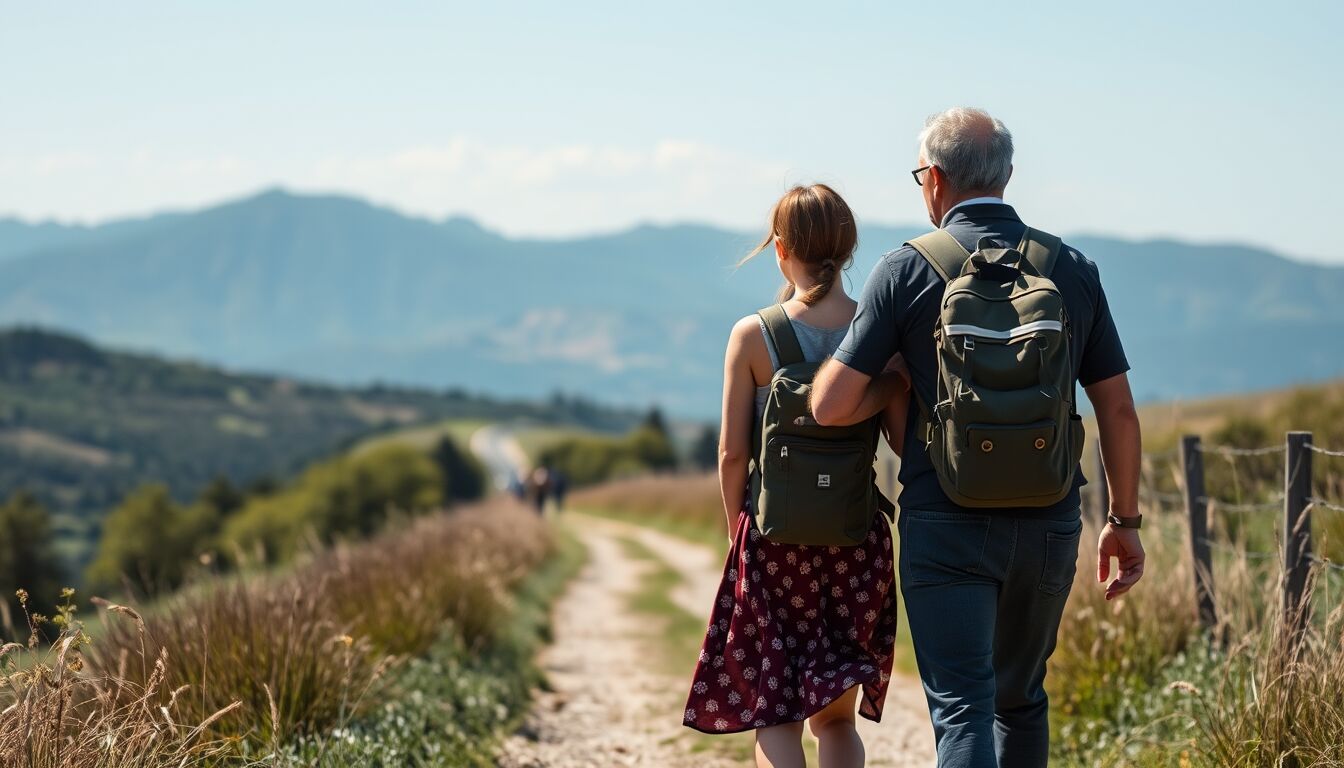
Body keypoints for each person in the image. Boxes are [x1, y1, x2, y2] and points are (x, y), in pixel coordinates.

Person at [810, 107, 1145, 767]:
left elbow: (829, 405)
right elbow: (1118, 409)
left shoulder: (906, 270)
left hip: (946, 518)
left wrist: (897, 381)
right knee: (1020, 700)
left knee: (965, 705)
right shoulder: (1070, 267)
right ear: (1009, 175)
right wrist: (1124, 521)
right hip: (1049, 520)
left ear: (933, 178)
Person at [683, 184, 909, 768]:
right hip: (855, 543)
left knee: (775, 714)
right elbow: (903, 442)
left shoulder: (753, 336)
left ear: (780, 249)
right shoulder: (878, 333)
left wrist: (737, 529)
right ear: (850, 247)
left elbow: (733, 454)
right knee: (834, 719)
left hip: (773, 543)